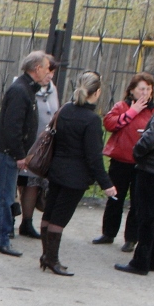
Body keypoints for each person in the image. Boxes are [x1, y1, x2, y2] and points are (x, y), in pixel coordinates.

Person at [38, 71, 117, 275]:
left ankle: (46, 256)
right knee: (60, 218)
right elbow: (94, 157)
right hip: (75, 176)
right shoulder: (91, 120)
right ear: (96, 93)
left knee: (50, 213)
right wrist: (106, 184)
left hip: (56, 170)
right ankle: (52, 259)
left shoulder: (65, 110)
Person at [0, 50, 52, 257]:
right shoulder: (21, 90)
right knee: (5, 196)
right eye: (47, 68)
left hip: (7, 150)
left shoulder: (25, 88)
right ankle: (0, 239)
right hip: (10, 152)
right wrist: (19, 154)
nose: (48, 72)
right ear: (37, 68)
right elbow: (12, 126)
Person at [94, 72, 154, 252]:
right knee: (115, 198)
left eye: (148, 89)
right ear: (132, 90)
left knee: (137, 202)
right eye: (141, 89)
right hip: (121, 160)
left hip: (142, 164)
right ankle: (108, 233)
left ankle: (131, 239)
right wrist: (132, 111)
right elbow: (109, 124)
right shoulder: (121, 106)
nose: (145, 93)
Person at [115, 100, 154, 276]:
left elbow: (151, 138)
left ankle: (140, 262)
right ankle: (152, 259)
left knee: (146, 216)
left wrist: (137, 151)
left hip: (151, 170)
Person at [18, 57, 60, 239]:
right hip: (28, 144)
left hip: (43, 147)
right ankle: (12, 218)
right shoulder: (27, 88)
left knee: (35, 183)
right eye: (48, 71)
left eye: (53, 72)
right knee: (23, 182)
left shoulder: (52, 90)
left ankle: (27, 222)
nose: (50, 75)